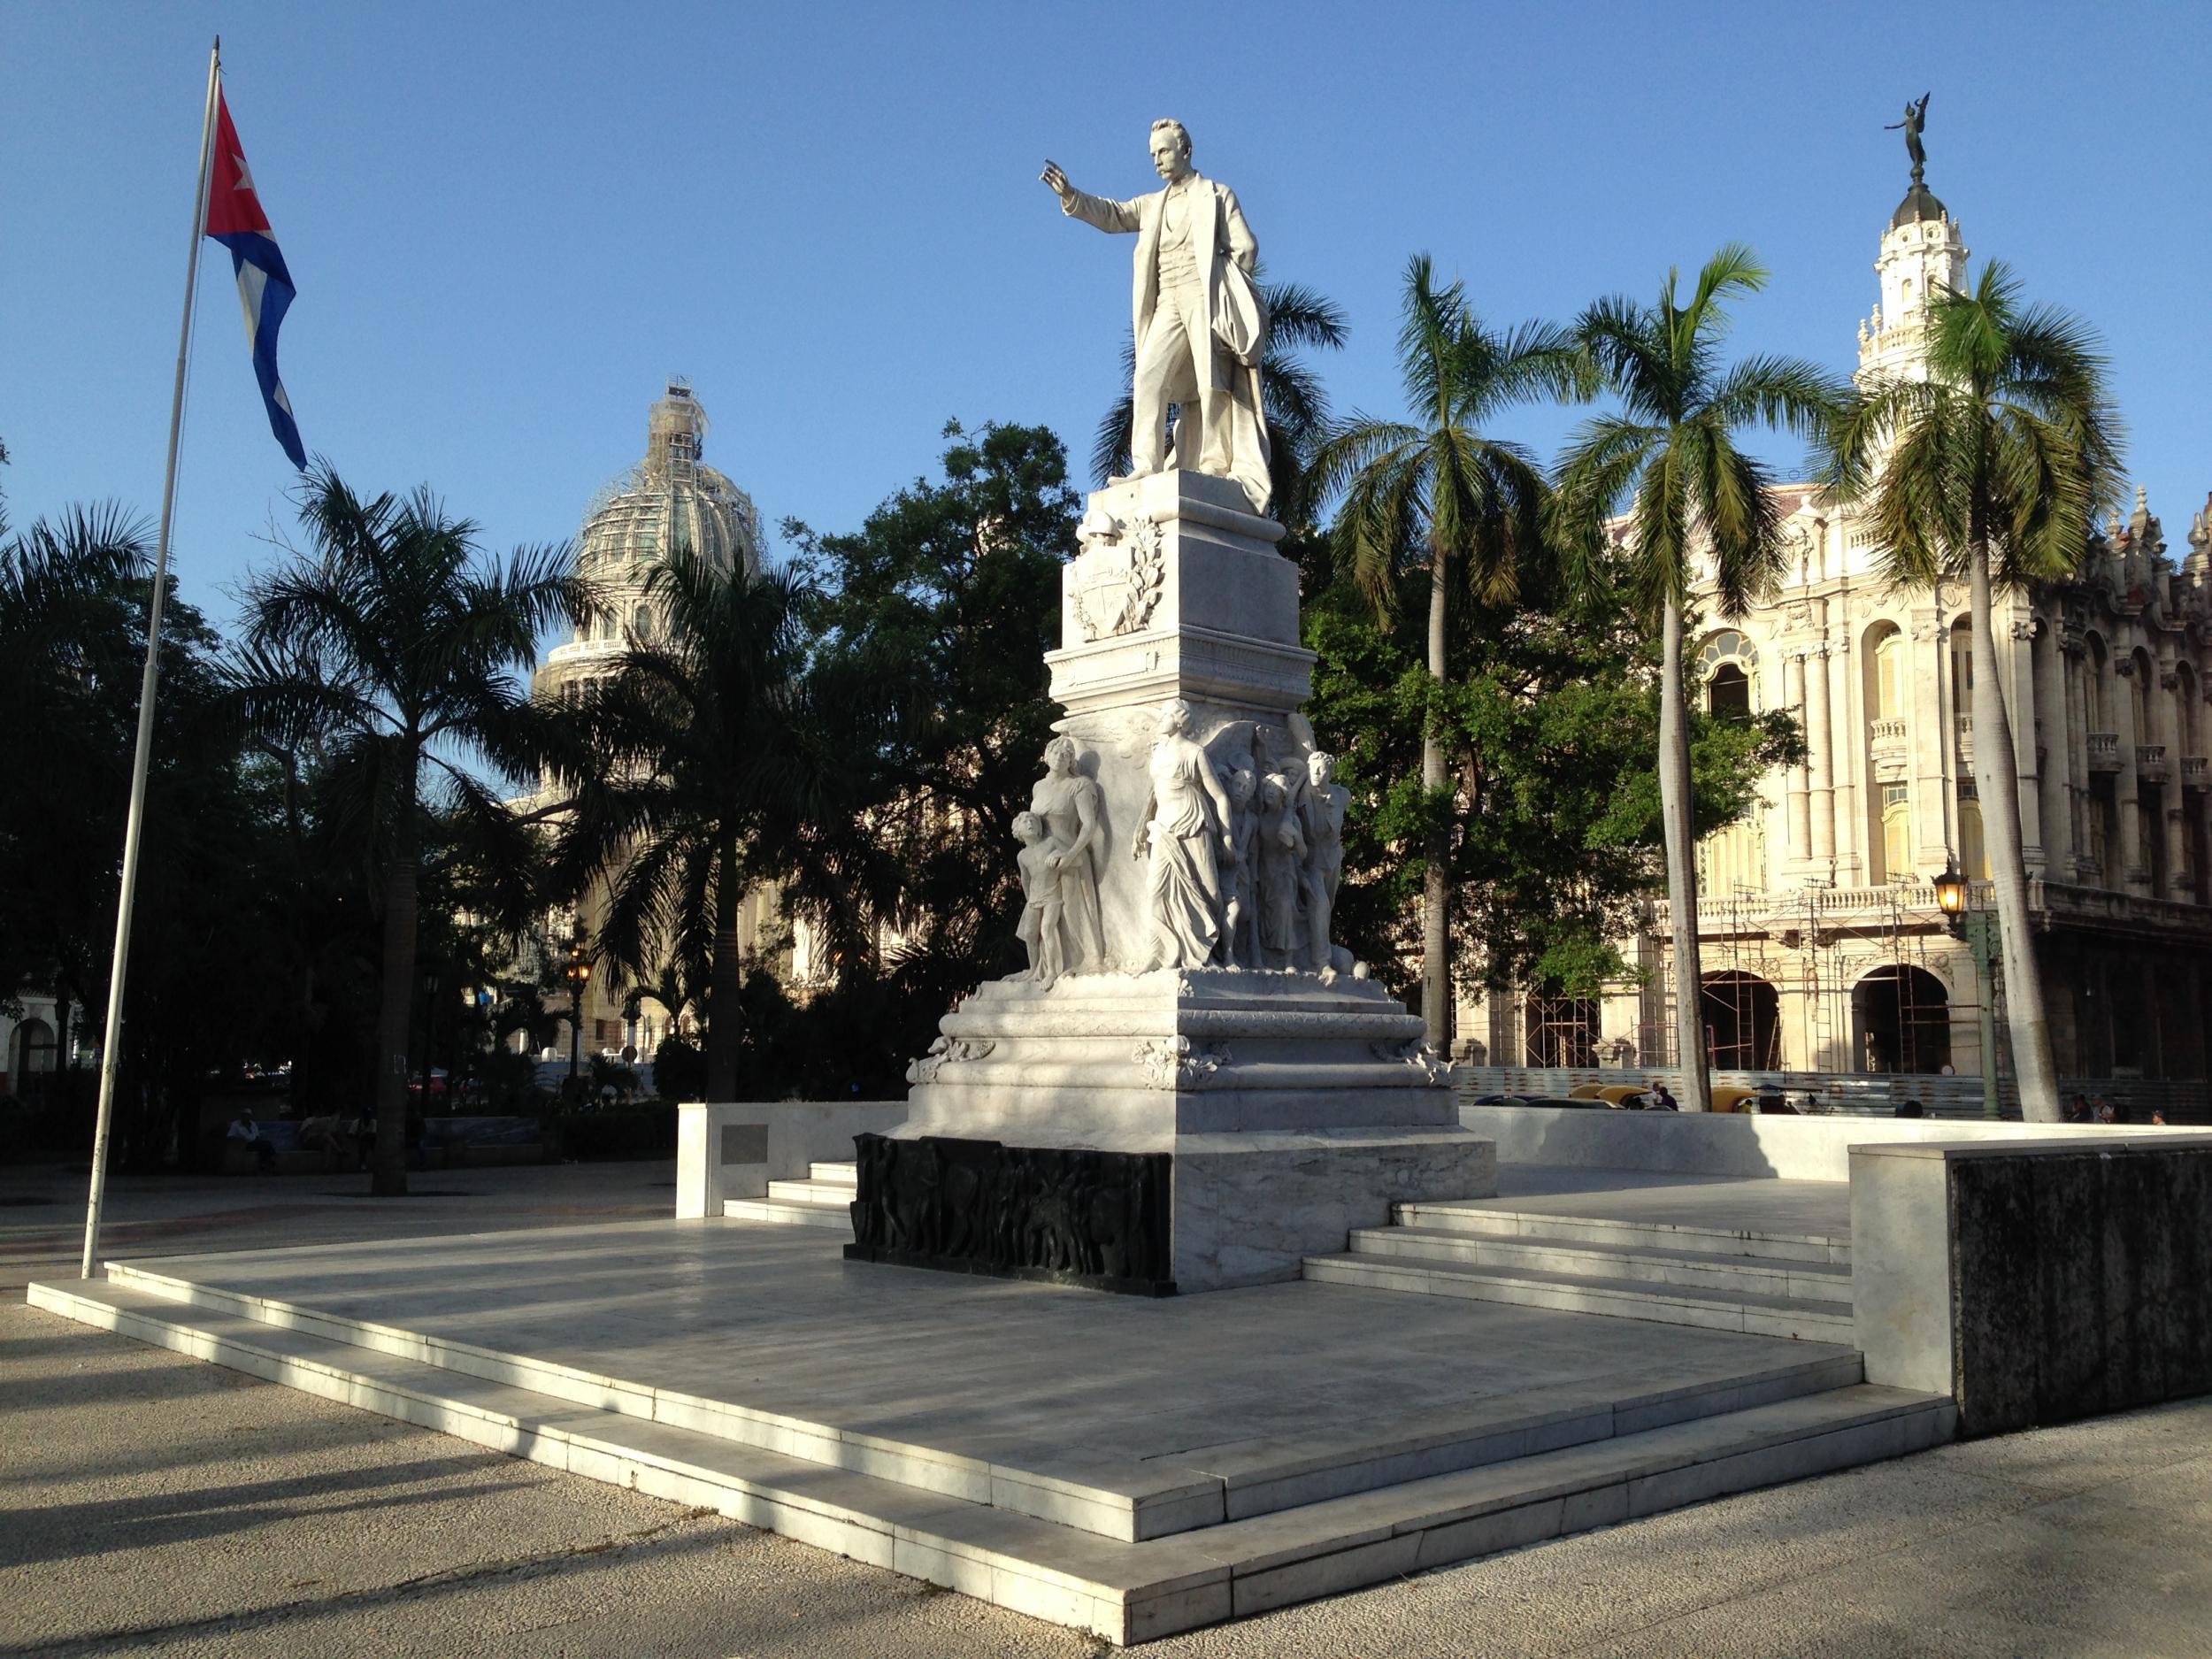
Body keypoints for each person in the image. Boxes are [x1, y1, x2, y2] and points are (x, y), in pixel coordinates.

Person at [1041, 119, 1272, 515]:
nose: (1157, 161)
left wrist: (1227, 288)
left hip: (1204, 295)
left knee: (1211, 381)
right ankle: (1146, 465)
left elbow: (1246, 248)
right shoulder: (1152, 204)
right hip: (1168, 300)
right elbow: (1114, 215)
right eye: (1153, 155)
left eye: (1163, 152)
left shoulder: (1216, 195)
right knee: (1148, 375)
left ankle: (1215, 463)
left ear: (1186, 150)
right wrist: (1072, 196)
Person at [227, 1108, 277, 1172]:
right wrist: (240, 1141)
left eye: (248, 1115)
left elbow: (257, 1136)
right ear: (241, 1116)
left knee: (265, 1146)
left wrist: (257, 1141)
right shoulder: (235, 1125)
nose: (246, 1117)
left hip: (254, 1143)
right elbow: (230, 1136)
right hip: (245, 1145)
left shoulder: (253, 1124)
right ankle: (268, 1161)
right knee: (267, 1144)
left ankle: (263, 1164)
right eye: (245, 1115)